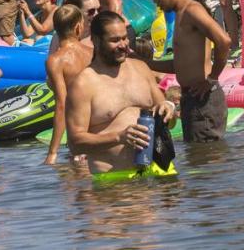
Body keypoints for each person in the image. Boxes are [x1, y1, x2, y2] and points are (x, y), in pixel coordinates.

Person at [65, 12, 176, 177]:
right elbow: (75, 144)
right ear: (96, 40)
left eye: (125, 38)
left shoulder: (141, 69)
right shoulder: (83, 84)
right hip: (116, 179)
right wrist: (118, 137)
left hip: (161, 169)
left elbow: (170, 122)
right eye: (115, 40)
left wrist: (169, 108)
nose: (123, 45)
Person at [147, 0, 231, 141]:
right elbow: (178, 65)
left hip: (203, 99)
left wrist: (212, 79)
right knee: (198, 159)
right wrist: (144, 63)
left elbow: (224, 40)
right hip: (192, 99)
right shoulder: (180, 14)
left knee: (207, 159)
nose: (157, 2)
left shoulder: (192, 10)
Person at [43, 5, 90, 164]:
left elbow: (62, 104)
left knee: (76, 184)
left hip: (79, 133)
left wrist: (52, 152)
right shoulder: (93, 52)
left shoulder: (56, 60)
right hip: (101, 129)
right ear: (78, 27)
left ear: (55, 28)